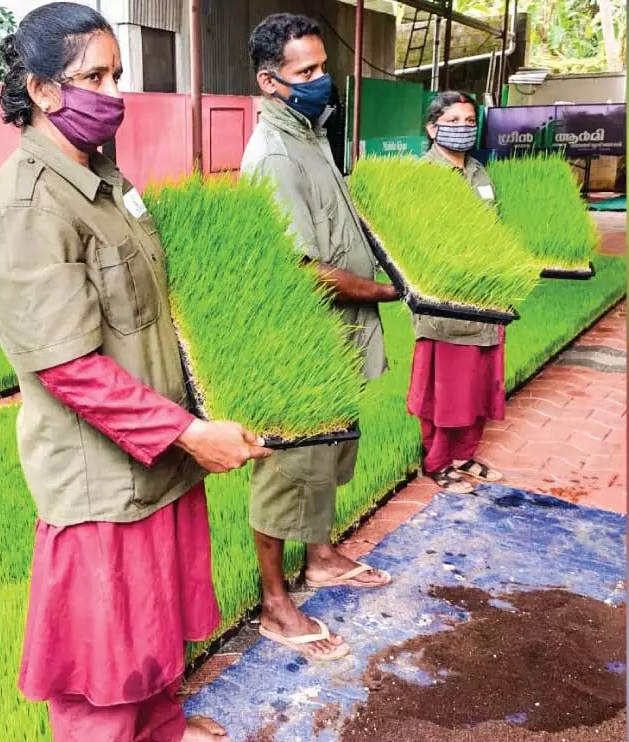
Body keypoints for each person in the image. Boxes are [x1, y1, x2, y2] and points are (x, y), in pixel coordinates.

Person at [0, 4, 271, 740]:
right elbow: (69, 369)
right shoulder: (26, 207)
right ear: (42, 90)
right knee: (102, 659)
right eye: (93, 76)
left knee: (156, 626)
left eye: (116, 75)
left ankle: (163, 725)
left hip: (159, 452)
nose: (113, 92)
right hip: (103, 476)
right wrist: (189, 433)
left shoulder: (101, 175)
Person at [239, 13, 401, 662]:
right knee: (289, 469)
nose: (319, 81)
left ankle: (324, 558)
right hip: (300, 342)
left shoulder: (309, 132)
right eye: (304, 73)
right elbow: (301, 268)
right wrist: (390, 290)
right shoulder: (274, 153)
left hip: (336, 339)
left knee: (331, 454)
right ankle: (276, 604)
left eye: (322, 68)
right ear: (269, 81)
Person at [410, 91, 508, 493]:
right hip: (445, 304)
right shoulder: (420, 177)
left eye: (471, 121)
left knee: (480, 381)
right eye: (455, 121)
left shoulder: (480, 173)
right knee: (445, 388)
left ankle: (465, 454)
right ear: (433, 127)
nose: (465, 128)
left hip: (487, 298)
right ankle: (436, 463)